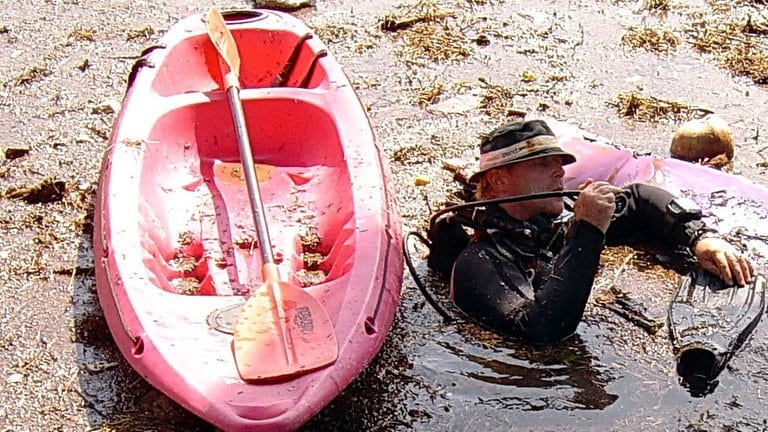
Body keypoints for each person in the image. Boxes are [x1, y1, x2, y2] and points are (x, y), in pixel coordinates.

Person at [449, 119, 755, 345]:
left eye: (559, 163)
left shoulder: (552, 221)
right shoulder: (481, 261)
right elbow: (543, 328)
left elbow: (639, 198)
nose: (560, 172)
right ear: (500, 181)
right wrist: (588, 230)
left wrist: (701, 238)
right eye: (543, 165)